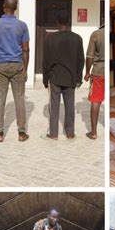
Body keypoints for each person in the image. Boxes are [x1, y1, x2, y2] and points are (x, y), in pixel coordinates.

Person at [0, 0, 29, 143]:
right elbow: (26, 49)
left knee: (0, 99)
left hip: (1, 65)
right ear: (15, 7)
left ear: (3, 6)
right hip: (18, 64)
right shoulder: (22, 26)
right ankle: (22, 133)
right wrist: (25, 69)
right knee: (19, 99)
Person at [43, 11, 84, 139]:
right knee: (70, 106)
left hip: (55, 77)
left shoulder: (50, 38)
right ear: (69, 21)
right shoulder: (77, 38)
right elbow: (80, 60)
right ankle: (70, 133)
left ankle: (53, 134)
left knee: (54, 106)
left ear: (57, 22)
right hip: (71, 77)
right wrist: (78, 78)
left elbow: (46, 61)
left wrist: (45, 79)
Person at [84, 24, 105, 140]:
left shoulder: (96, 34)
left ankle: (93, 132)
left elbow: (90, 57)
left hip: (98, 73)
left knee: (96, 101)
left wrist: (87, 72)